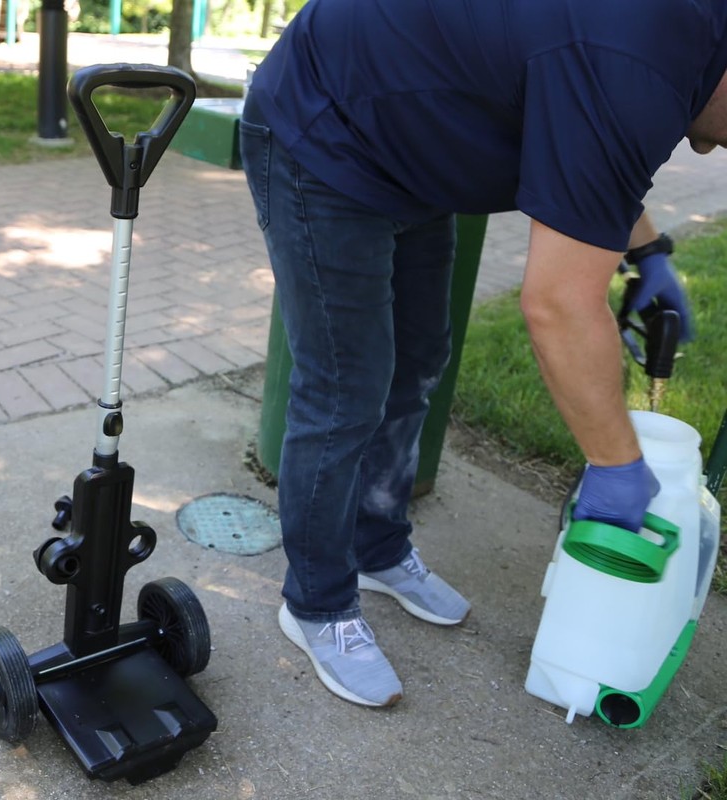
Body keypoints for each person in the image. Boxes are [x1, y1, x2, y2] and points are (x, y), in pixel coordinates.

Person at [238, 0, 722, 708]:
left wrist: (646, 251)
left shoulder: (680, 44)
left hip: (414, 149)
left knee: (419, 361)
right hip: (326, 128)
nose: (714, 152)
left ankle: (377, 547)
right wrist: (617, 466)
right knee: (346, 389)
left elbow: (597, 142)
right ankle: (316, 603)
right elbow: (556, 305)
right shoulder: (646, 53)